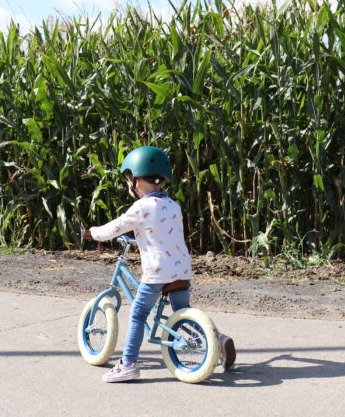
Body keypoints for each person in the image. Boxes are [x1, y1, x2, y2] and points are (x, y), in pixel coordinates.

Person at [82, 145, 236, 382]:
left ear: (137, 179)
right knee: (182, 313)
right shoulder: (173, 205)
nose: (128, 186)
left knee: (138, 315)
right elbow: (162, 232)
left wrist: (93, 233)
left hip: (157, 273)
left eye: (128, 180)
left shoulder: (142, 207)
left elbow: (114, 228)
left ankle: (128, 365)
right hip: (182, 270)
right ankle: (219, 339)